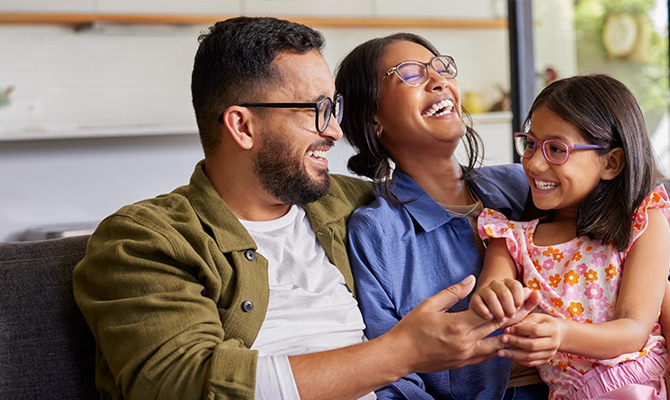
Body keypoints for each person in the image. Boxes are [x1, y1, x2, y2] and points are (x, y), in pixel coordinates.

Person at [73, 17, 531, 400]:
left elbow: (495, 204)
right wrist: (401, 353)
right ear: (243, 126)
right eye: (316, 110)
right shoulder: (142, 240)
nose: (334, 131)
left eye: (333, 108)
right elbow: (184, 383)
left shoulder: (352, 204)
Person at [337, 34, 670, 400]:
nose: (439, 79)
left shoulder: (525, 182)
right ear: (371, 118)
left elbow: (626, 260)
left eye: (441, 67)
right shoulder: (378, 230)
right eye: (409, 73)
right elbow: (389, 372)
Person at [470, 74, 670, 400]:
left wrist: (562, 333)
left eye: (557, 149)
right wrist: (495, 297)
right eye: (530, 143)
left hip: (656, 379)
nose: (534, 162)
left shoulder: (642, 222)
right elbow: (491, 288)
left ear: (611, 163)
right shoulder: (511, 238)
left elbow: (633, 329)